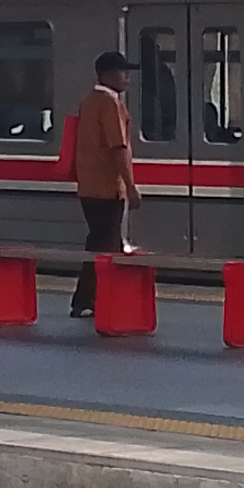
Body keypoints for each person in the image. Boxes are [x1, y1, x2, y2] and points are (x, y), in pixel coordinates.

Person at [68, 51, 142, 318]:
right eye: (123, 73)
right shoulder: (110, 105)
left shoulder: (88, 102)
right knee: (105, 245)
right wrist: (131, 186)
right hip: (107, 187)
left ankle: (91, 298)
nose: (128, 79)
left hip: (88, 186)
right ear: (108, 75)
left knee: (100, 242)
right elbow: (118, 148)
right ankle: (88, 300)